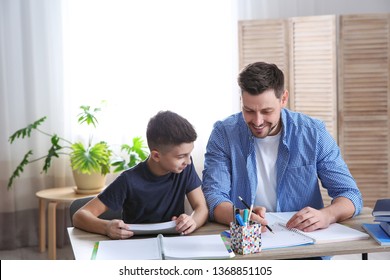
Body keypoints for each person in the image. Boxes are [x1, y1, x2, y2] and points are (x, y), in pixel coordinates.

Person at [202, 61, 362, 234]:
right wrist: (239, 215)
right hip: (246, 241)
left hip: (303, 243)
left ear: (283, 99)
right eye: (248, 110)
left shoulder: (313, 133)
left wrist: (327, 215)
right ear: (241, 100)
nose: (257, 121)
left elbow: (350, 194)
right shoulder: (223, 134)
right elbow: (214, 196)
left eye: (266, 111)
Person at [73, 110, 208, 239]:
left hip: (174, 245)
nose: (188, 161)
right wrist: (106, 227)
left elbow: (201, 207)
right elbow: (80, 216)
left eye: (189, 154)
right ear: (156, 155)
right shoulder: (128, 180)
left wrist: (192, 221)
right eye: (181, 156)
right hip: (135, 247)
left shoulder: (184, 169)